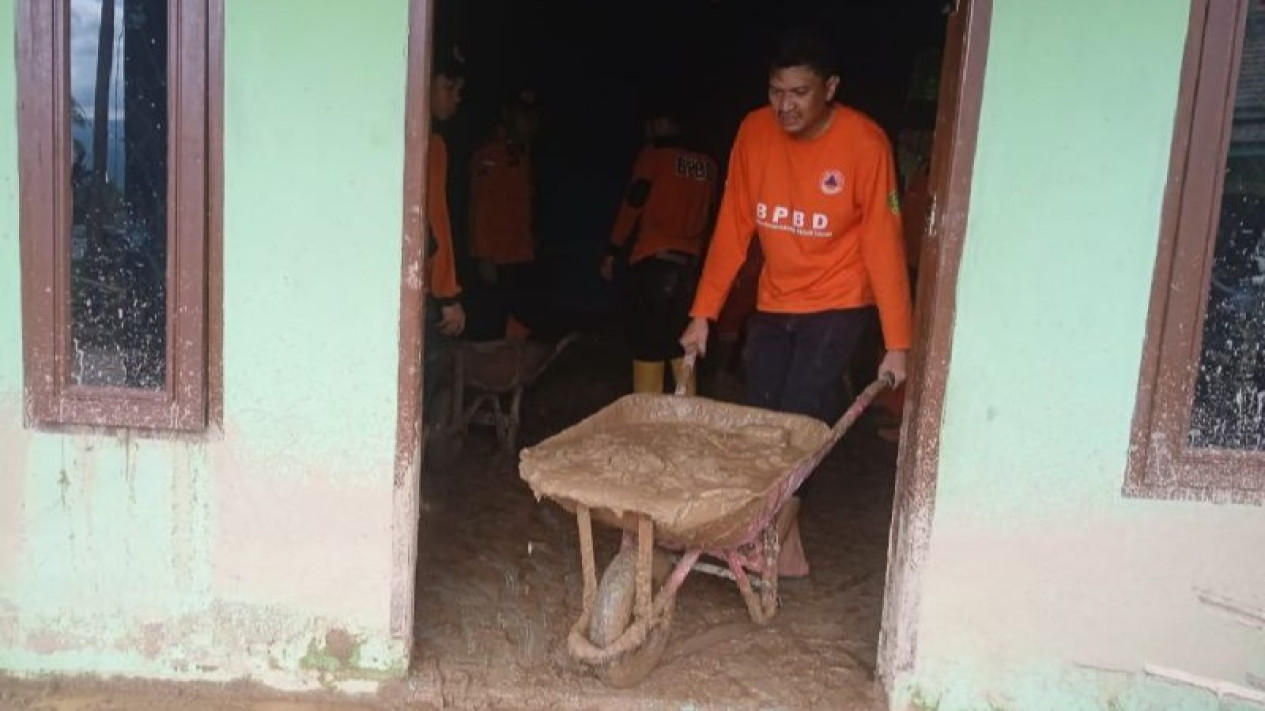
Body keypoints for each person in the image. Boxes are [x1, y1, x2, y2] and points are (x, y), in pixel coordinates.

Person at [680, 28, 913, 424]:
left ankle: (796, 489)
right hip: (776, 297)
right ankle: (776, 488)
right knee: (760, 407)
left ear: (831, 87)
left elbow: (883, 242)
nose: (785, 106)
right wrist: (703, 314)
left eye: (799, 93)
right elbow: (732, 228)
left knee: (800, 409)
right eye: (776, 92)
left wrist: (897, 343)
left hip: (839, 300)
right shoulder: (754, 132)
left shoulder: (866, 144)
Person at [602, 110, 719, 395]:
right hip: (690, 268)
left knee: (647, 347)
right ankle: (686, 416)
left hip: (653, 263)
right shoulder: (709, 163)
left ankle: (648, 417)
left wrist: (613, 248)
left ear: (666, 122)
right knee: (683, 344)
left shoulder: (655, 156)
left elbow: (634, 202)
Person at [468, 89, 542, 340]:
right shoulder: (490, 153)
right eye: (523, 116)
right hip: (498, 259)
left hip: (520, 254)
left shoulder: (521, 153)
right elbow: (482, 206)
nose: (530, 123)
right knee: (498, 329)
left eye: (533, 116)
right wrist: (483, 255)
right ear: (507, 115)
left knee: (522, 326)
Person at [423, 46, 467, 428]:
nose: (456, 98)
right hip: (419, 288)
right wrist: (448, 296)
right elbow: (435, 224)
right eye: (449, 87)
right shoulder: (432, 144)